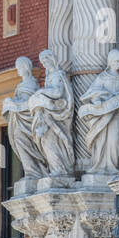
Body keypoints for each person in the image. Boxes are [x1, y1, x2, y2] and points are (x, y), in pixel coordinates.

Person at [77, 48, 119, 174]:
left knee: (114, 139)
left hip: (117, 114)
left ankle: (112, 165)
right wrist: (97, 100)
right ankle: (99, 165)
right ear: (110, 62)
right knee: (101, 140)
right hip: (103, 114)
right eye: (116, 61)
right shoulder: (102, 77)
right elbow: (92, 93)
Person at [28, 48, 76, 177]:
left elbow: (58, 93)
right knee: (45, 142)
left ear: (52, 59)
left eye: (46, 59)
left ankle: (61, 169)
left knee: (53, 141)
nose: (44, 63)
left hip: (57, 116)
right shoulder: (50, 76)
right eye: (42, 61)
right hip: (47, 115)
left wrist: (41, 92)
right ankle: (56, 168)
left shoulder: (58, 75)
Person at [2, 57, 47, 179]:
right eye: (17, 69)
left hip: (27, 120)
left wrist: (14, 104)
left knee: (28, 143)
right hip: (18, 120)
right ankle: (30, 172)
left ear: (26, 67)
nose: (18, 71)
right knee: (19, 141)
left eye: (20, 68)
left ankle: (35, 171)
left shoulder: (32, 84)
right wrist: (10, 103)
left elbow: (30, 103)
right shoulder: (20, 86)